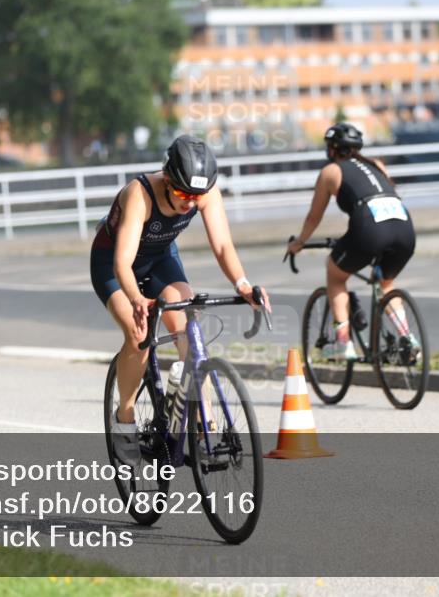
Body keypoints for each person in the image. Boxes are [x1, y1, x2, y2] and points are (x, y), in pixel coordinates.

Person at [91, 135, 270, 464]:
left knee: (189, 329)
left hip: (160, 258)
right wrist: (136, 298)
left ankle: (205, 427)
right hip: (114, 263)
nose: (190, 202)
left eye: (197, 196)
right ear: (167, 177)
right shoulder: (140, 194)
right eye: (182, 193)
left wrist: (243, 284)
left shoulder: (203, 193)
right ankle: (125, 419)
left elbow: (222, 246)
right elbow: (122, 262)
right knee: (139, 333)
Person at [286, 122, 417, 361]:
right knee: (387, 284)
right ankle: (407, 338)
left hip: (369, 229)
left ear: (332, 149)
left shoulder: (331, 171)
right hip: (404, 226)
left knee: (335, 274)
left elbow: (314, 217)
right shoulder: (376, 165)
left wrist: (299, 243)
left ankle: (343, 343)